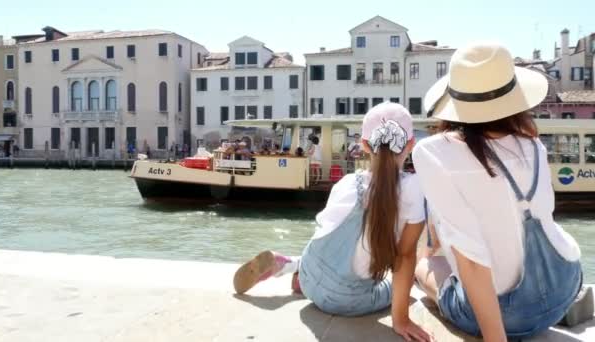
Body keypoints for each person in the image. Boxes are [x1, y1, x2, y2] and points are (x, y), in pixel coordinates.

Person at [413, 42, 584, 340]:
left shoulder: (433, 153)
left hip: (509, 316)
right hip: (565, 287)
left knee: (425, 263)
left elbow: (472, 261)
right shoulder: (534, 145)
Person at [234, 103, 433, 341]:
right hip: (347, 301)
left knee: (332, 254)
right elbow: (405, 256)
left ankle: (291, 267)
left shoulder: (347, 182)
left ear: (364, 145)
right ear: (411, 144)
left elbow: (327, 231)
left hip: (312, 273)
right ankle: (295, 273)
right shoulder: (413, 188)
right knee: (410, 272)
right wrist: (401, 319)